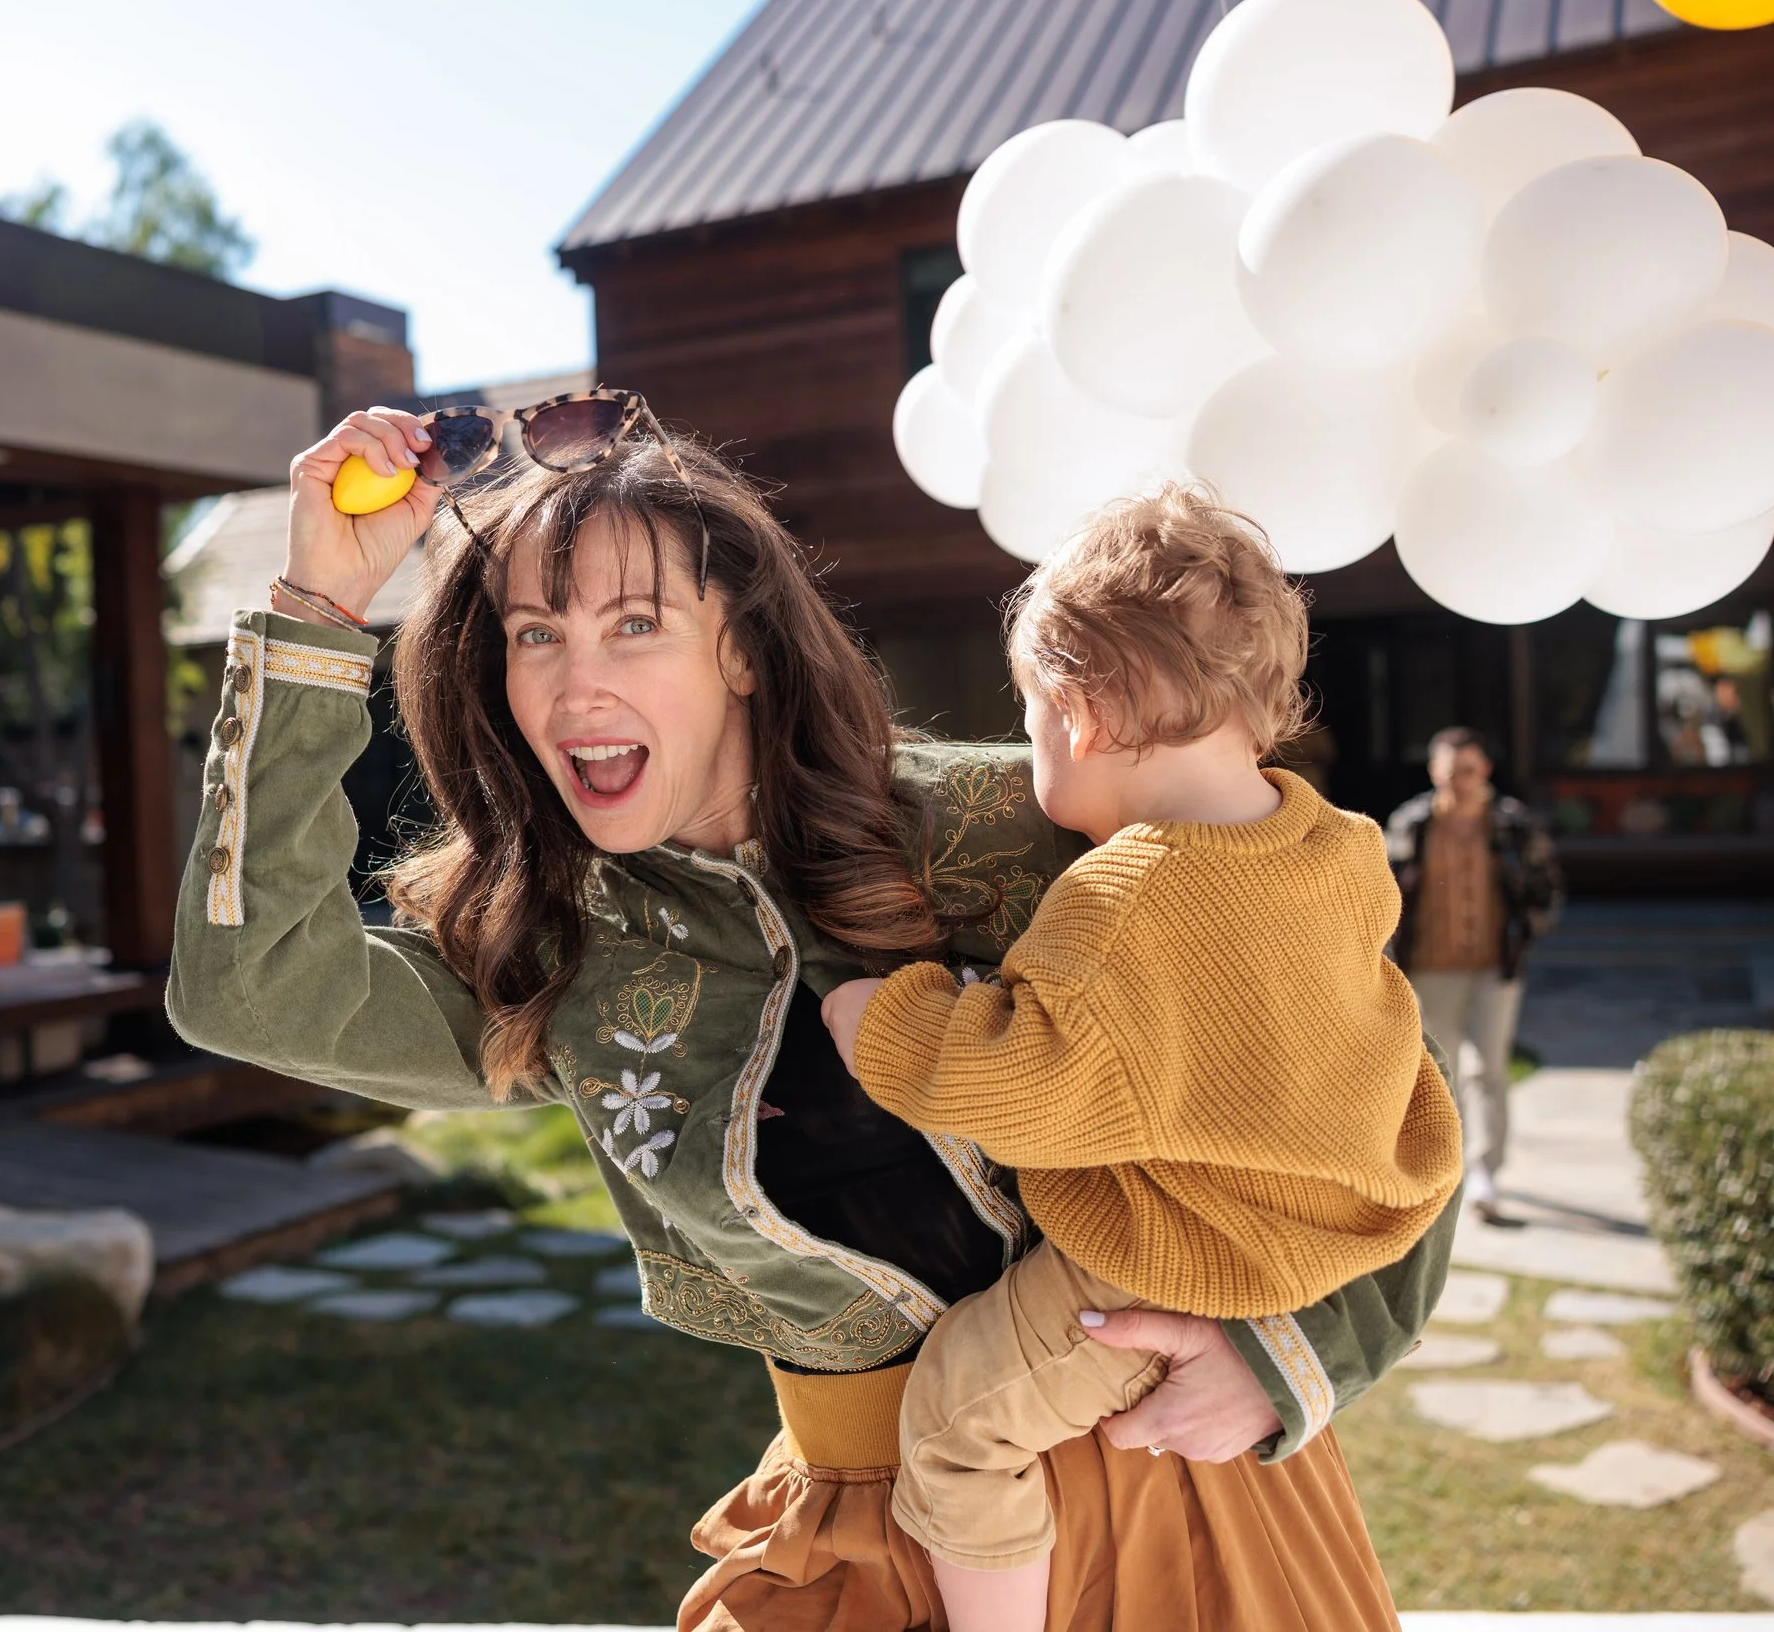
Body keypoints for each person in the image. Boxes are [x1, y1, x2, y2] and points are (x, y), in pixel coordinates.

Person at [167, 404, 1459, 1632]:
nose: (574, 685)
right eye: (534, 634)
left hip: (1185, 1491)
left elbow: (1363, 1077)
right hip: (850, 1529)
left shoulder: (1025, 829)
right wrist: (318, 606)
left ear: (739, 645)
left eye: (633, 624)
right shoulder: (552, 961)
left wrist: (1303, 1351)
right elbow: (248, 984)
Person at [818, 490, 1460, 1632]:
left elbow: (1022, 1091)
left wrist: (883, 1016)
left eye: (1025, 718)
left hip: (1175, 1257)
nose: (1027, 748)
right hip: (1324, 1236)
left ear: (1082, 712)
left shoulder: (1118, 897)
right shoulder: (1337, 846)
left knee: (960, 1424)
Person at [1385, 726, 1563, 1229]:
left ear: (1483, 770)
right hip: (1430, 968)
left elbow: (1545, 885)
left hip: (1494, 966)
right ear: (1433, 772)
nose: (1459, 781)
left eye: (1468, 771)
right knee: (1440, 1075)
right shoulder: (1411, 824)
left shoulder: (1510, 824)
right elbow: (1384, 890)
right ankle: (1446, 1170)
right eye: (1449, 772)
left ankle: (1487, 1173)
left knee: (1490, 1068)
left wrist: (1527, 932)